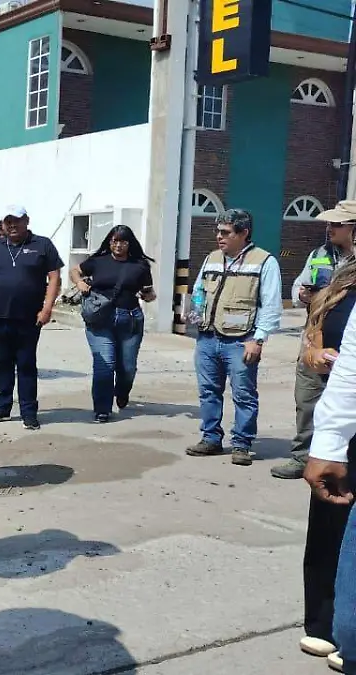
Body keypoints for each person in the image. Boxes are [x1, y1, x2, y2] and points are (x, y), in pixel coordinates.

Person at [185, 209, 283, 467]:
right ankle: (211, 439)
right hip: (207, 338)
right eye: (218, 231)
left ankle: (242, 444)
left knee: (244, 394)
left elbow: (271, 305)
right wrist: (195, 324)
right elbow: (198, 291)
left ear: (243, 233)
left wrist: (258, 339)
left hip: (241, 341)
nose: (219, 236)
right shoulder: (212, 259)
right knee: (208, 392)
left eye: (225, 232)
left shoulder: (264, 262)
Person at [296, 260, 356, 672]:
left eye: (339, 222)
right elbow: (314, 334)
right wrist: (314, 353)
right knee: (330, 523)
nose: (332, 228)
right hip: (343, 413)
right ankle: (325, 623)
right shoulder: (339, 276)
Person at [273, 201, 356, 480]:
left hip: (348, 345)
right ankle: (302, 457)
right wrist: (303, 295)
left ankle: (340, 458)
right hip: (315, 338)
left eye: (336, 224)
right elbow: (299, 285)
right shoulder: (319, 254)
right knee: (308, 398)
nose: (329, 228)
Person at [0, 206, 64, 430]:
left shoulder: (42, 244)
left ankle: (28, 411)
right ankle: (2, 407)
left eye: (16, 220)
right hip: (0, 316)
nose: (12, 225)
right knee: (2, 363)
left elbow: (54, 277)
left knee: (26, 364)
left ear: (26, 220)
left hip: (29, 318)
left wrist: (47, 309)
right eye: (8, 221)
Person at [69, 225, 157, 423]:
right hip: (100, 319)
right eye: (114, 241)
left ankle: (122, 391)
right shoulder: (98, 261)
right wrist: (79, 283)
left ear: (129, 243)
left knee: (127, 367)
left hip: (130, 319)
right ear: (109, 242)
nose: (118, 245)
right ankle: (102, 409)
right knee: (105, 364)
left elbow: (148, 292)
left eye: (123, 241)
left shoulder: (140, 265)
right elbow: (75, 270)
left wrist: (149, 296)